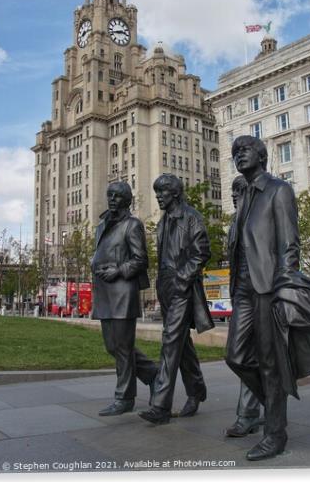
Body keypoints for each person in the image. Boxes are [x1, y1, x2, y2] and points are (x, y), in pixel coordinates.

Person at [226, 135, 310, 461]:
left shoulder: (277, 191)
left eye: (244, 150)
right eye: (234, 152)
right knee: (236, 356)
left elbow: (289, 245)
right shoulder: (243, 197)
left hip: (268, 287)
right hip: (242, 288)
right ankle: (271, 408)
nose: (238, 155)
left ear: (261, 154)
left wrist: (285, 288)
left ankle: (275, 432)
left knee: (271, 363)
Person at [139, 174, 214, 425]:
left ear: (175, 193)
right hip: (166, 288)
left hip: (183, 287)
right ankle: (197, 389)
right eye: (157, 192)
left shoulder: (191, 217)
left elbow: (202, 251)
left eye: (163, 192)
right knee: (181, 344)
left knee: (170, 342)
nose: (159, 196)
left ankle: (160, 406)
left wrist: (182, 279)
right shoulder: (162, 224)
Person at [91, 181, 157, 416]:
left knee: (122, 347)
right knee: (113, 346)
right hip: (104, 292)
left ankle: (124, 397)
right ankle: (153, 374)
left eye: (117, 196)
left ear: (127, 200)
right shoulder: (101, 225)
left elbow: (141, 260)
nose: (112, 199)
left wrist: (118, 270)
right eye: (109, 195)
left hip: (122, 292)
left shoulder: (133, 225)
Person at [225, 175, 264, 438]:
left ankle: (248, 414)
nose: (234, 196)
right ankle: (270, 398)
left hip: (264, 292)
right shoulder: (233, 223)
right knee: (236, 355)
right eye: (233, 191)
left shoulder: (263, 215)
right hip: (241, 293)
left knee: (264, 355)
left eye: (239, 191)